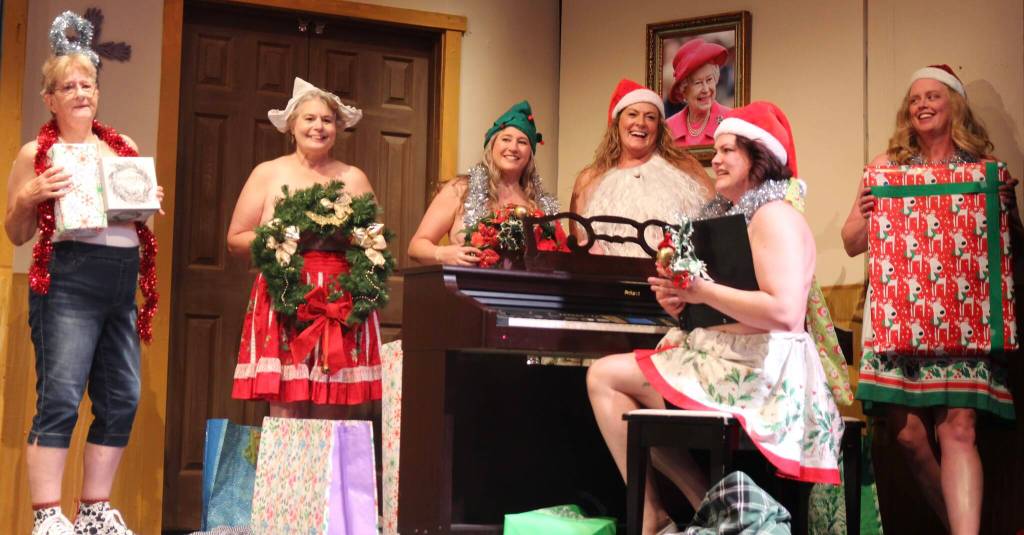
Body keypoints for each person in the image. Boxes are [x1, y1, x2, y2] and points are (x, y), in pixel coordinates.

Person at [588, 102, 846, 534]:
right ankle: (707, 506)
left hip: (765, 369)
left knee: (606, 379)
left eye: (729, 150)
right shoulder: (738, 218)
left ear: (757, 157)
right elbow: (731, 302)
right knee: (616, 388)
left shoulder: (775, 216)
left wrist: (700, 290)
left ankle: (668, 516)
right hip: (728, 356)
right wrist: (684, 306)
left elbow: (784, 314)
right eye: (717, 149)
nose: (717, 159)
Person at [841, 64, 1018, 535]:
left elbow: (1006, 243)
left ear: (954, 105)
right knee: (907, 434)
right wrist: (863, 212)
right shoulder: (886, 167)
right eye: (915, 97)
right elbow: (851, 242)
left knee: (958, 430)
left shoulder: (980, 171)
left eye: (933, 96)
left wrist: (1004, 203)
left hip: (964, 320)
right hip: (899, 319)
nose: (922, 104)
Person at [4, 12, 163, 535]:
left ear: (98, 91)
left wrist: (147, 199)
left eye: (87, 83)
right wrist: (29, 196)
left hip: (120, 280)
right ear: (50, 98)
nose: (80, 93)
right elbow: (15, 233)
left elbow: (135, 218)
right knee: (60, 399)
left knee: (123, 398)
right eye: (67, 86)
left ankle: (94, 510)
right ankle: (47, 517)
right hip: (67, 283)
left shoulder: (123, 149)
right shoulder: (37, 153)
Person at [227, 77, 382, 417]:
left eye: (326, 120)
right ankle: (286, 472)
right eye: (309, 118)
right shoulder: (267, 173)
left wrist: (352, 235)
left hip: (339, 299)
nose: (318, 127)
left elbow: (375, 243)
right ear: (292, 125)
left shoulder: (353, 178)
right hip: (285, 295)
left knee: (332, 410)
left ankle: (328, 473)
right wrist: (284, 233)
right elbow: (236, 239)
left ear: (337, 128)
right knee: (286, 409)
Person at [570, 79, 713, 258]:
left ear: (659, 127)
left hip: (671, 283)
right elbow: (577, 246)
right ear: (617, 123)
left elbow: (715, 227)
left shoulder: (686, 168)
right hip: (607, 282)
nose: (641, 123)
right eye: (632, 114)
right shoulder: (589, 179)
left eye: (650, 117)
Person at [408, 100, 559, 265]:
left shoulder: (539, 205)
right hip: (467, 288)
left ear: (530, 153)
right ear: (492, 145)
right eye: (506, 139)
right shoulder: (461, 190)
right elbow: (416, 247)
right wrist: (442, 253)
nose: (513, 147)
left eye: (522, 142)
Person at [664, 38, 732, 147]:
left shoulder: (730, 120)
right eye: (698, 83)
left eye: (709, 80)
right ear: (684, 90)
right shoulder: (669, 128)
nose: (706, 89)